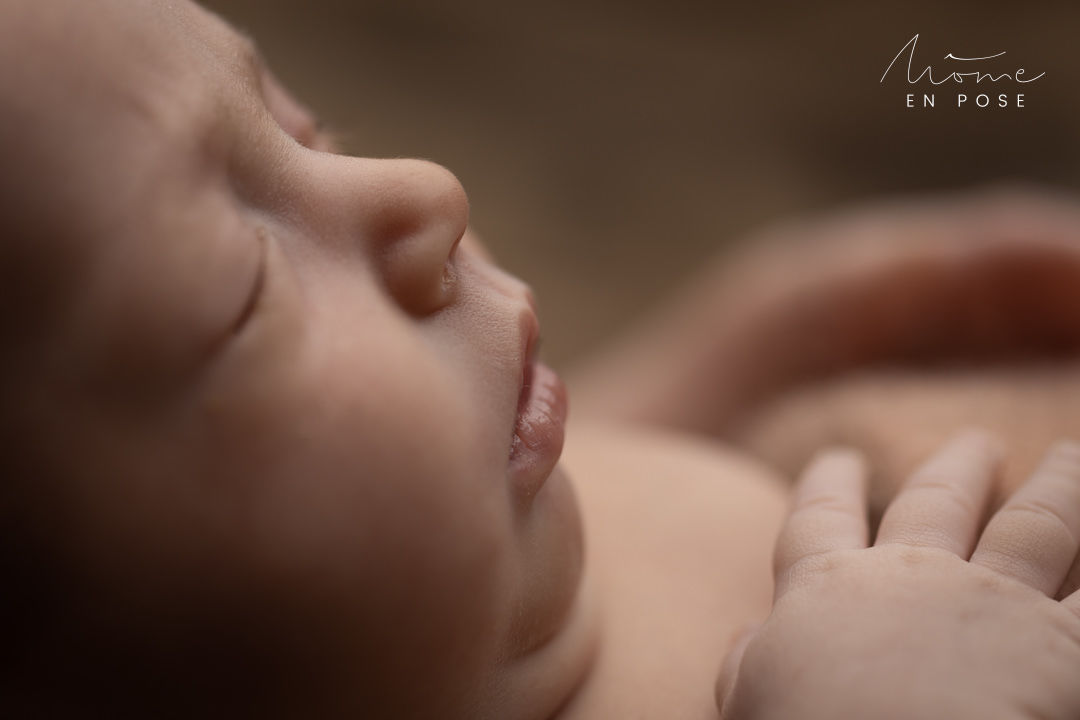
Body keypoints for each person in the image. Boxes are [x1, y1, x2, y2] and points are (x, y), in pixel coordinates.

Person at [0, 1, 1076, 718]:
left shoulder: (427, 566)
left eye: (307, 129)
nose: (421, 187)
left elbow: (428, 519)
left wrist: (727, 361)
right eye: (241, 285)